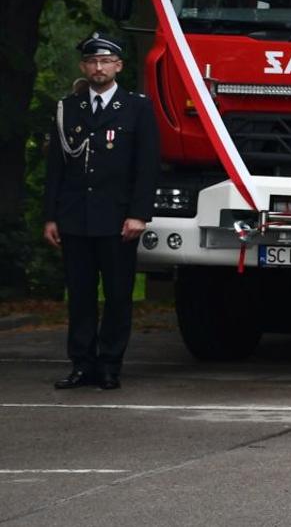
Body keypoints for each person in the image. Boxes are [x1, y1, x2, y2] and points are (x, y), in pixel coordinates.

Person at [43, 32, 159, 391]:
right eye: (92, 61)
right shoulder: (69, 109)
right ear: (84, 66)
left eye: (106, 61)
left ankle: (110, 364)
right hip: (76, 217)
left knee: (118, 295)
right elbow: (56, 169)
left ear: (118, 66)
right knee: (79, 295)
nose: (98, 67)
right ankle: (81, 363)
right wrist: (51, 216)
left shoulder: (137, 108)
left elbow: (147, 167)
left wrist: (140, 214)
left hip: (117, 219)